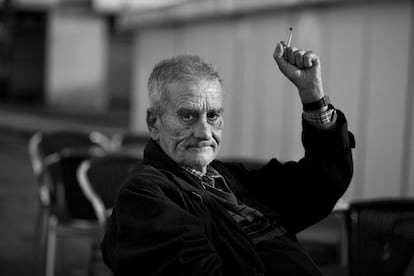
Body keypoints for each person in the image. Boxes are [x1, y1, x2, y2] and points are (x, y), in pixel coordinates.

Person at [101, 40, 355, 275]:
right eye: (187, 116)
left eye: (213, 116)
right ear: (153, 123)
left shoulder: (226, 178)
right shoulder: (144, 196)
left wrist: (312, 97)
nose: (204, 132)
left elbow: (321, 185)